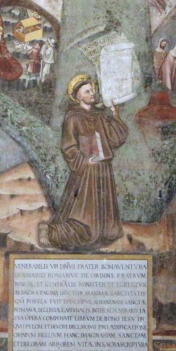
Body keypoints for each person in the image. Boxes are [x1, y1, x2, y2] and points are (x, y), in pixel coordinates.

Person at [41, 75, 129, 249]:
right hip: (86, 170)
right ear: (79, 96)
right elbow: (68, 146)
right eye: (87, 91)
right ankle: (76, 232)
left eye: (93, 90)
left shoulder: (99, 116)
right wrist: (84, 161)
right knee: (83, 209)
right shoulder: (73, 118)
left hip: (102, 167)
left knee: (104, 212)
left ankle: (102, 233)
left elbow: (116, 138)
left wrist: (115, 115)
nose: (92, 94)